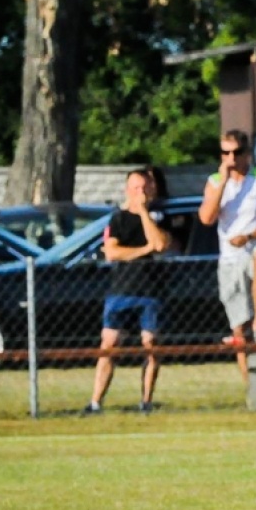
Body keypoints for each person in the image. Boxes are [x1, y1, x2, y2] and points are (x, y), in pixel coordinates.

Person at [198, 130, 256, 382]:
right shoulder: (215, 181)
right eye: (225, 153)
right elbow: (206, 218)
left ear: (247, 154)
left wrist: (250, 236)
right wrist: (223, 182)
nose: (231, 158)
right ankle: (252, 384)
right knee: (238, 326)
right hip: (230, 256)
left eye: (236, 152)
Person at [84, 168, 170, 415]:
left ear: (152, 189)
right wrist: (144, 251)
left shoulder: (159, 217)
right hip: (121, 290)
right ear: (127, 190)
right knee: (109, 345)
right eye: (135, 188)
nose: (139, 193)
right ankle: (96, 402)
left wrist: (144, 212)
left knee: (151, 344)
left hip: (151, 291)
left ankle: (146, 401)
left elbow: (161, 244)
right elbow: (112, 252)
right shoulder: (118, 220)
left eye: (144, 188)